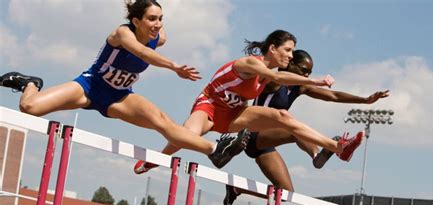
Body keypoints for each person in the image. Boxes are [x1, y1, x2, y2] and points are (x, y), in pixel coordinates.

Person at [0, 0, 250, 167]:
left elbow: (151, 43)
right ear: (136, 20)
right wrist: (174, 67)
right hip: (89, 87)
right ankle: (30, 83)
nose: (158, 25)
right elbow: (141, 53)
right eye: (152, 19)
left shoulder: (159, 37)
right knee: (30, 108)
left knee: (162, 122)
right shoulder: (122, 34)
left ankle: (216, 148)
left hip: (119, 96)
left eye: (161, 18)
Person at [134, 30, 365, 177]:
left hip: (236, 113)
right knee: (185, 135)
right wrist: (316, 80)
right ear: (272, 48)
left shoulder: (269, 71)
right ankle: (154, 160)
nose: (291, 56)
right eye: (288, 50)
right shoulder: (251, 63)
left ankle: (338, 148)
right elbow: (277, 78)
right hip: (210, 106)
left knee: (283, 116)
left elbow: (279, 78)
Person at [221, 49, 390, 205]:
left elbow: (333, 96)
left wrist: (365, 100)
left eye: (309, 73)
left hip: (265, 144)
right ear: (290, 64)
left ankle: (236, 189)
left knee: (286, 193)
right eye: (304, 70)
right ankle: (320, 154)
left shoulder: (300, 87)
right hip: (252, 135)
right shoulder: (274, 81)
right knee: (293, 126)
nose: (306, 76)